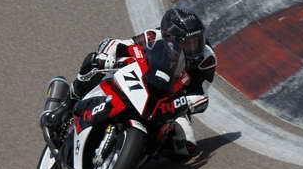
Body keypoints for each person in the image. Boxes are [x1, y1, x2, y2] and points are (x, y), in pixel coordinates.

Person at [43, 8, 217, 158]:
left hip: (173, 101)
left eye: (197, 41)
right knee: (94, 61)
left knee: (186, 148)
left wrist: (186, 103)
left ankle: (140, 153)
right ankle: (67, 105)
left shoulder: (206, 59)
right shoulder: (153, 37)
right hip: (146, 80)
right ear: (171, 38)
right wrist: (107, 56)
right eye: (187, 43)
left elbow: (201, 95)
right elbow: (116, 44)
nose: (194, 48)